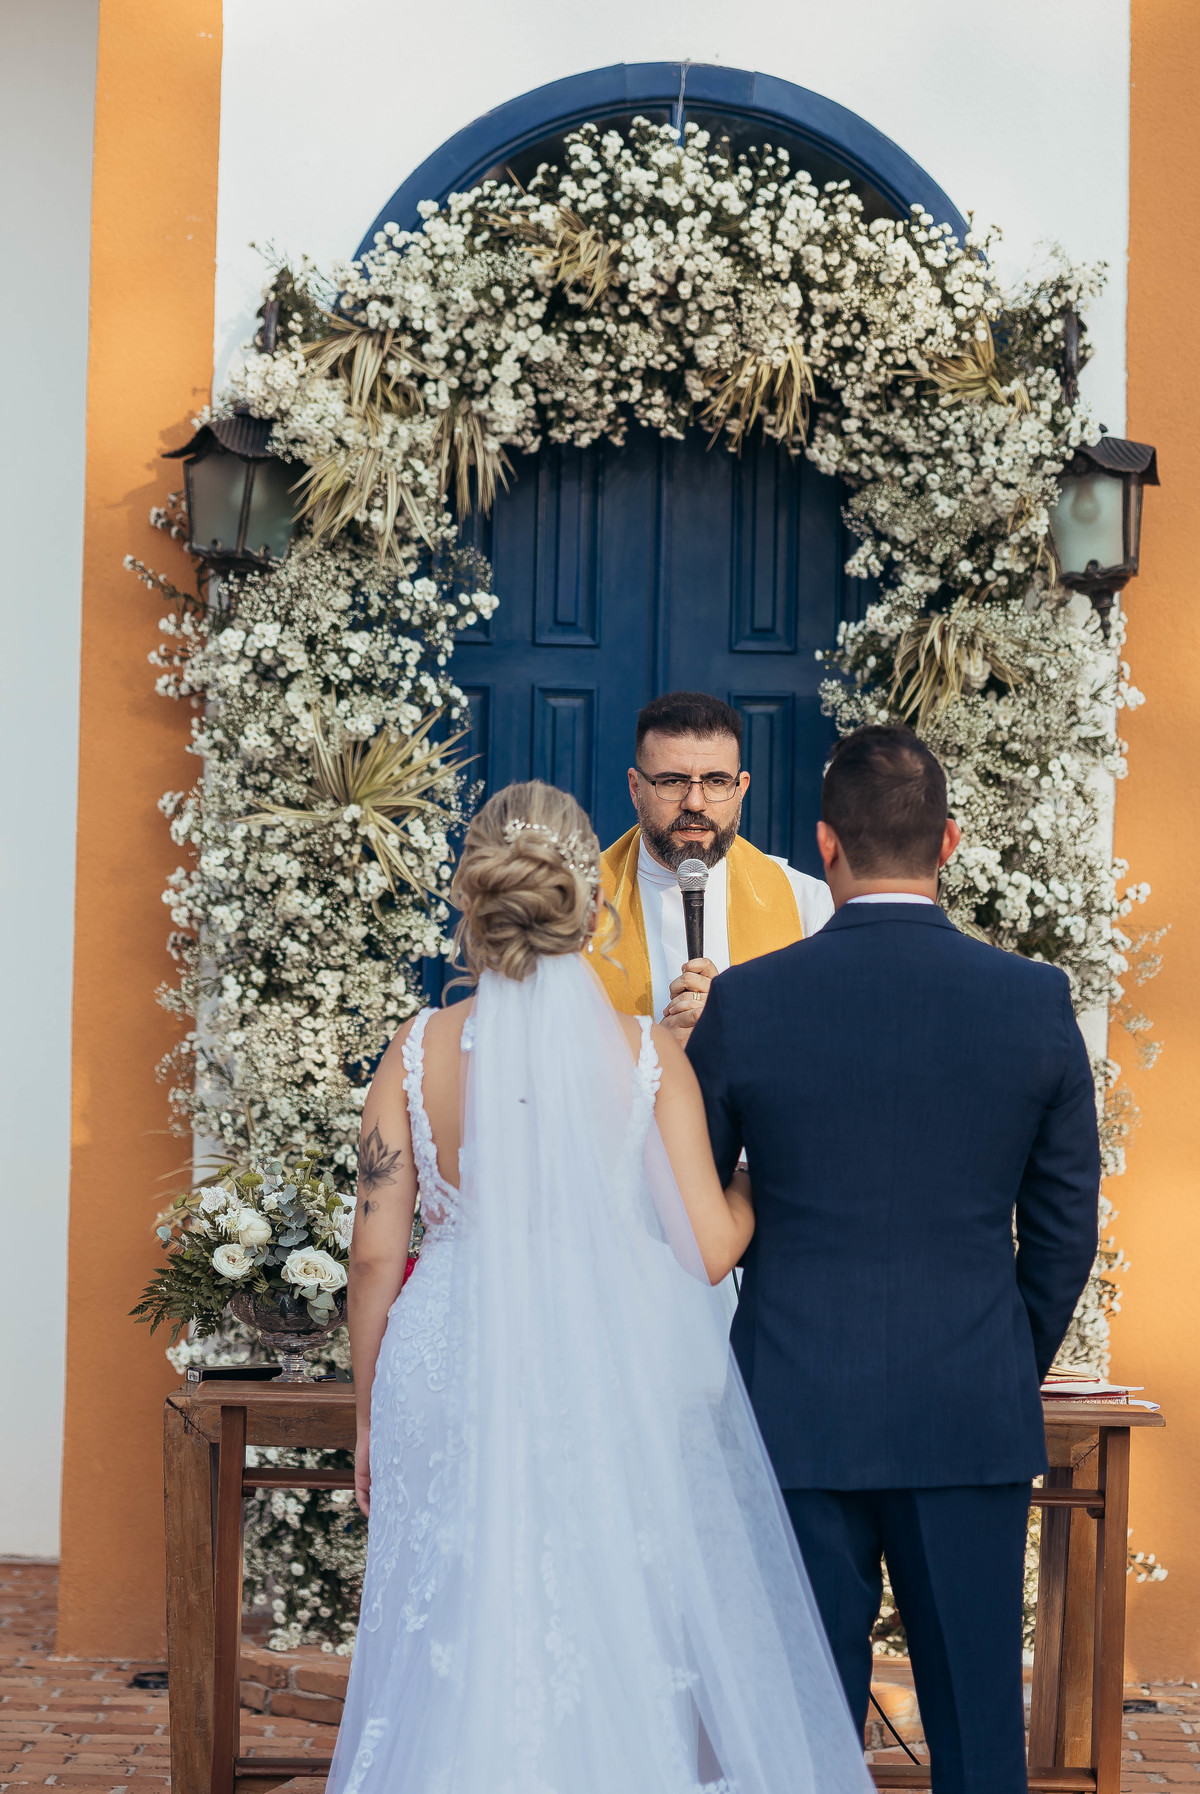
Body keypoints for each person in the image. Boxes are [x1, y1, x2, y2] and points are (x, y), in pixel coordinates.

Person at [333, 780, 872, 1794]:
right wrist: (753, 1183)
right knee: (601, 1598)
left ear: (475, 895)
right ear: (590, 897)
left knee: (454, 1605)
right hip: (602, 1362)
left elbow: (372, 1254)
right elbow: (709, 1249)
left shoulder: (417, 1051)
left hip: (449, 1353)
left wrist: (368, 1409)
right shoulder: (644, 1056)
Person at [687, 726, 1101, 1794]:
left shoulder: (748, 1001)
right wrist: (1005, 1352)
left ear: (825, 845)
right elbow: (1062, 1228)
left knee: (801, 1729)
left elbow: (685, 1201)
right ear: (949, 842)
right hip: (965, 1401)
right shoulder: (1034, 1002)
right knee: (974, 1722)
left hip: (791, 1400)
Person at [590, 691, 833, 1038]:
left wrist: (732, 1030)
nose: (695, 802)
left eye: (716, 781)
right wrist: (658, 1054)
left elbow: (827, 1050)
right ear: (635, 787)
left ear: (741, 788)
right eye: (672, 781)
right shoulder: (572, 905)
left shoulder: (805, 903)